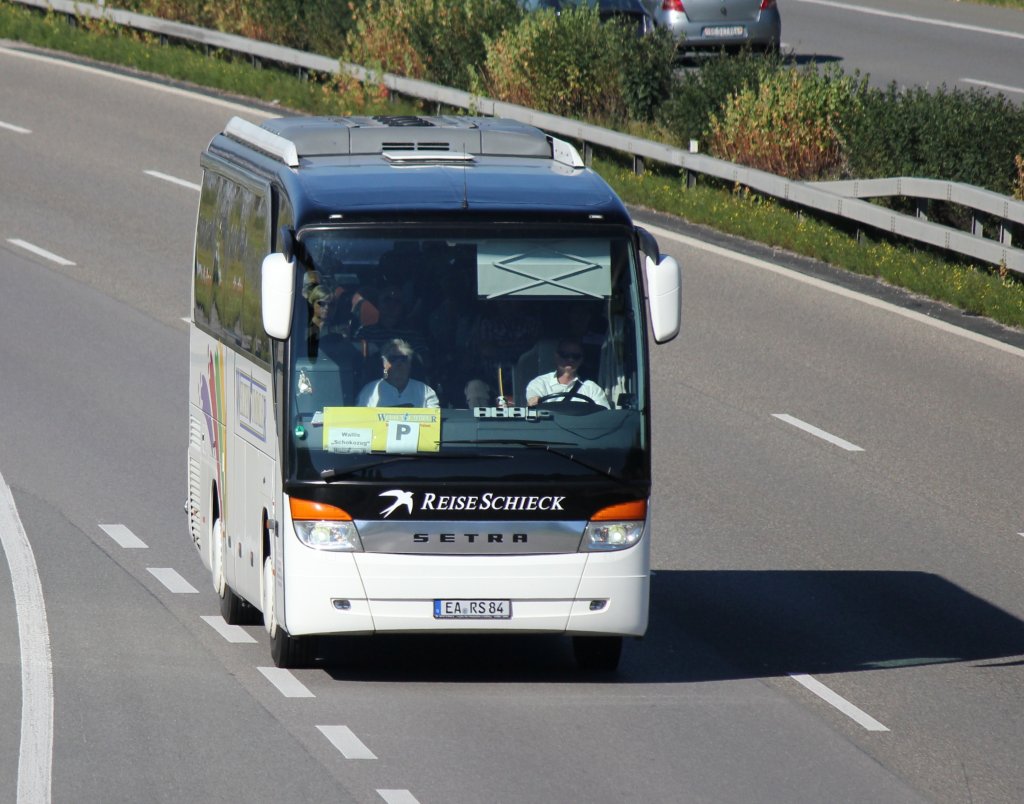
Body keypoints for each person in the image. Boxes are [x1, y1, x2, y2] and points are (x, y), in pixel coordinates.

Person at [526, 338, 610, 409]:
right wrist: (533, 401)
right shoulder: (539, 383)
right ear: (556, 356)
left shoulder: (592, 388)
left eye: (575, 356)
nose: (570, 359)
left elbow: (604, 416)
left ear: (581, 360)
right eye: (565, 355)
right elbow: (533, 404)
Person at [357, 339, 439, 408]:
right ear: (384, 363)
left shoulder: (426, 391)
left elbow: (434, 421)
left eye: (403, 359)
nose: (399, 363)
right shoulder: (369, 391)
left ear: (410, 363)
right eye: (393, 359)